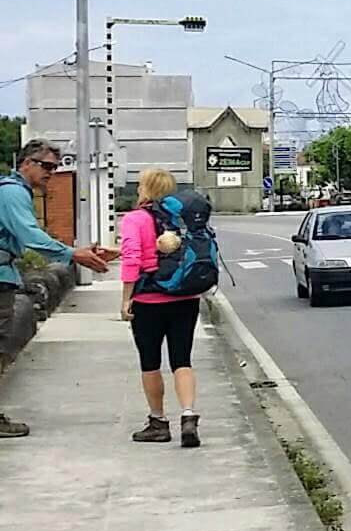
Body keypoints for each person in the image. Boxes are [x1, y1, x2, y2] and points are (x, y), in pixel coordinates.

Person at [0, 139, 114, 438]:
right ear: (26, 163)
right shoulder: (12, 193)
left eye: (55, 167)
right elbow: (31, 237)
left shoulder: (12, 191)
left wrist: (73, 251)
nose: (51, 173)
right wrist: (74, 254)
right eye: (47, 166)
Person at [121, 167, 204, 447]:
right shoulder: (183, 221)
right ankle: (189, 415)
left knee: (150, 362)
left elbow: (133, 258)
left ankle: (158, 422)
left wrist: (125, 298)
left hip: (148, 301)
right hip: (185, 297)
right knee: (182, 359)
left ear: (145, 189)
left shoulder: (134, 219)